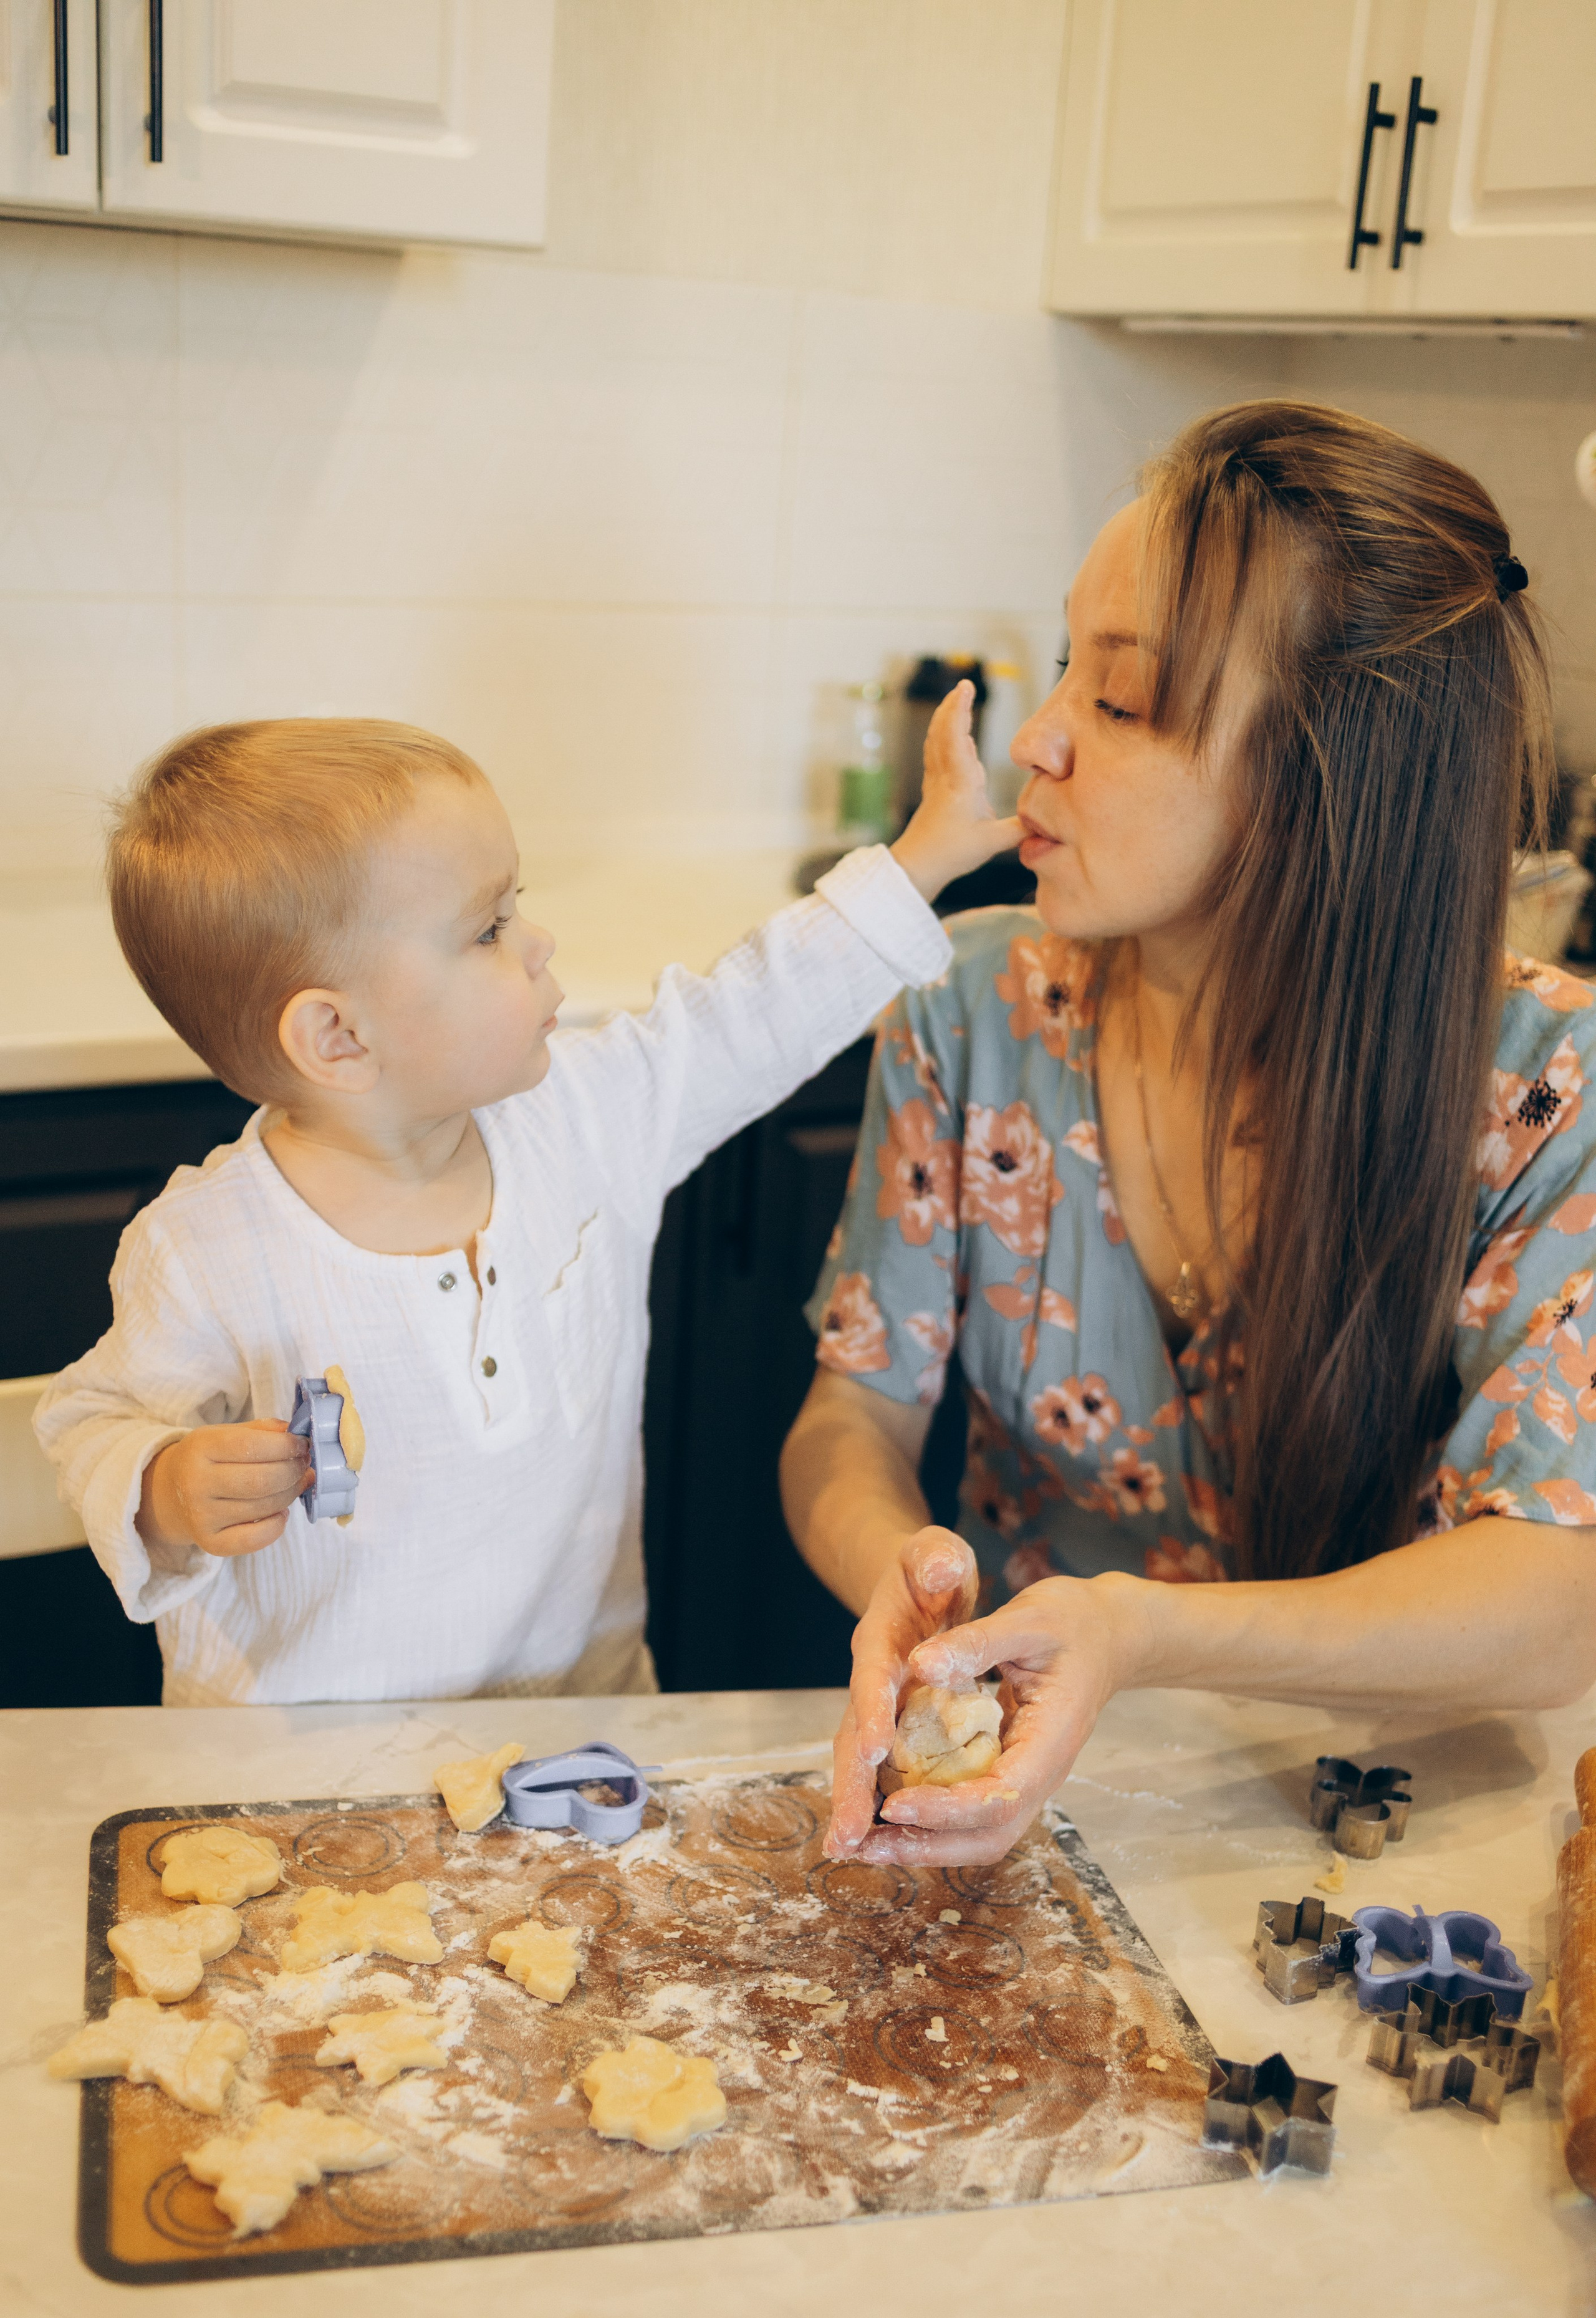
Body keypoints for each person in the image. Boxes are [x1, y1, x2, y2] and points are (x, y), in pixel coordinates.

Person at [780, 399, 1596, 1870]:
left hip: (1394, 1840)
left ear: (1317, 779)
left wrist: (1133, 1630)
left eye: (1119, 700)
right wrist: (898, 1576)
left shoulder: (1550, 1089)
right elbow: (851, 1417)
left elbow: (1555, 1603)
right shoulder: (971, 1008)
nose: (1034, 740)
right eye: (1059, 681)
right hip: (1036, 1806)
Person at [36, 713, 1015, 1705]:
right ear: (337, 1035)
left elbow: (745, 1016)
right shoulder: (204, 1249)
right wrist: (162, 1487)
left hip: (581, 1744)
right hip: (308, 1799)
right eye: (489, 927)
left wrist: (923, 856)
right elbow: (89, 1418)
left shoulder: (586, 1118)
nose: (538, 941)